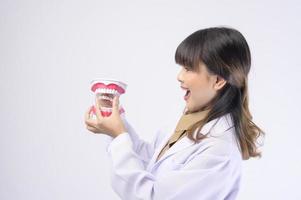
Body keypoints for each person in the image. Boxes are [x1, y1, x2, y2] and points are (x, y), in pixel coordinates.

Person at [84, 26, 265, 200]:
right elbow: (151, 161)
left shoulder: (219, 151)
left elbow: (153, 196)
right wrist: (116, 123)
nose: (179, 76)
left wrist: (119, 136)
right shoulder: (191, 122)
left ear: (218, 81)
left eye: (188, 68)